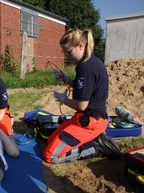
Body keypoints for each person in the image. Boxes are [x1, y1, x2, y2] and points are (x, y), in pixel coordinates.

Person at [44, 28, 120, 163]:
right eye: (65, 52)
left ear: (81, 46)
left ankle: (95, 147)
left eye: (68, 52)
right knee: (50, 140)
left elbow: (81, 105)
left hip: (91, 122)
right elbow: (86, 88)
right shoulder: (89, 62)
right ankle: (91, 140)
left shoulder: (87, 68)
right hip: (83, 119)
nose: (67, 56)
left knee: (50, 155)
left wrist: (64, 100)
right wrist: (65, 79)